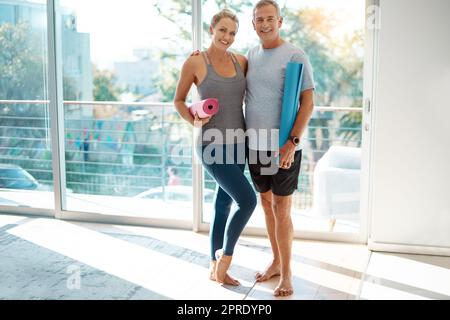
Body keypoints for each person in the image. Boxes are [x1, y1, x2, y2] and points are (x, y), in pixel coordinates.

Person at [173, 9, 257, 286]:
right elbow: (178, 101)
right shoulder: (196, 62)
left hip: (238, 143)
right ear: (211, 29)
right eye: (222, 30)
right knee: (248, 200)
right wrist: (194, 119)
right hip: (210, 144)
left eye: (232, 33)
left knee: (224, 203)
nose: (227, 37)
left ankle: (212, 265)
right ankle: (225, 260)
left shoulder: (241, 61)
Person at [245, 0, 315, 296]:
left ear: (280, 21)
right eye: (259, 19)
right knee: (266, 205)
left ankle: (287, 275)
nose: (264, 24)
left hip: (284, 147)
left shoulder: (295, 54)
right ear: (253, 24)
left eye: (269, 18)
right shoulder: (251, 54)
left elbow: (308, 103)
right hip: (254, 146)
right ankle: (275, 261)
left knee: (282, 207)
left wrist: (292, 142)